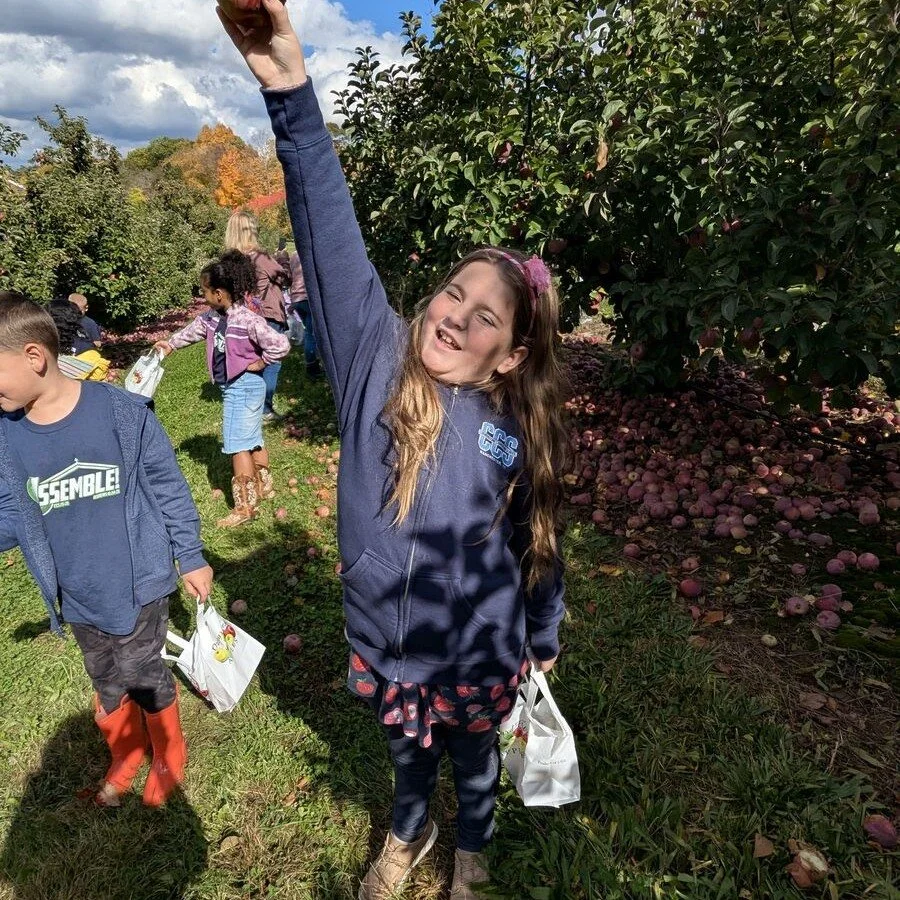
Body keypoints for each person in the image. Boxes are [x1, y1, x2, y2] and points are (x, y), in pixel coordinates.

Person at [216, 4, 567, 898]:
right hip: (387, 644)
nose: (455, 314)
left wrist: (543, 636)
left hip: (479, 652)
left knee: (476, 760)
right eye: (453, 293)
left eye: (485, 315)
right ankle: (409, 834)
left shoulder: (517, 431)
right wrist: (291, 94)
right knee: (409, 761)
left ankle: (474, 849)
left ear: (514, 352)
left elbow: (537, 542)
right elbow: (332, 241)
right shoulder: (375, 359)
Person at [0, 290, 213, 808]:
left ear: (35, 356)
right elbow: (11, 511)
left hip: (138, 581)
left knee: (142, 671)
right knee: (104, 675)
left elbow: (166, 486)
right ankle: (128, 749)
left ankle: (168, 748)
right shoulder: (8, 437)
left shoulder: (120, 414)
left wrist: (191, 553)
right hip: (75, 592)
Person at [154, 250, 290, 528]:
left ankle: (245, 506)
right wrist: (170, 344)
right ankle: (264, 487)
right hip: (242, 387)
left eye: (204, 290)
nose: (202, 295)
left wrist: (262, 361)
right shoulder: (211, 318)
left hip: (242, 387)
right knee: (253, 438)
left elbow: (281, 344)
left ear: (218, 293)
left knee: (237, 444)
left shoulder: (247, 319)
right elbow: (191, 331)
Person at [224, 210, 291, 421]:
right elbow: (284, 278)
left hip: (243, 316)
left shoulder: (229, 261)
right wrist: (283, 259)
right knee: (271, 361)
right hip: (267, 313)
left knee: (252, 360)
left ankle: (248, 404)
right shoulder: (260, 258)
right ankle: (264, 409)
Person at [286, 247, 321, 378]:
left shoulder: (294, 256)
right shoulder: (311, 254)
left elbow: (290, 276)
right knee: (312, 334)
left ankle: (312, 364)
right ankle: (312, 368)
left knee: (308, 332)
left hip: (296, 298)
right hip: (308, 298)